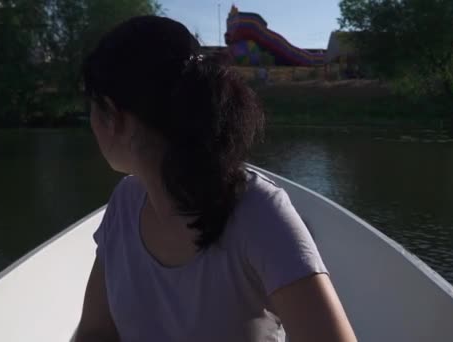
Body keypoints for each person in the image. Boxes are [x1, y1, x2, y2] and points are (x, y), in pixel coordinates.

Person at [76, 16, 357, 342]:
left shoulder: (258, 212)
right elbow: (95, 333)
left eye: (91, 108)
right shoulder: (125, 203)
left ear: (113, 116)